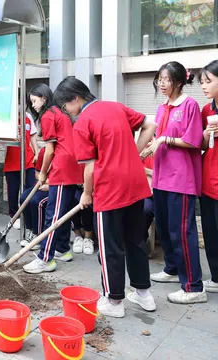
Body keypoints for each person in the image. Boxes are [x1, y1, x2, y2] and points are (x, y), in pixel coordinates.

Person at [54, 76, 157, 318]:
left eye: (66, 106)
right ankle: (144, 295)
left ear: (75, 99)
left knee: (110, 245)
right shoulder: (115, 106)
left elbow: (89, 168)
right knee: (135, 240)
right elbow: (150, 125)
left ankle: (114, 301)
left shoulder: (82, 123)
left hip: (110, 190)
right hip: (135, 183)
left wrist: (86, 195)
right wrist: (135, 153)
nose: (67, 112)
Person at [144, 61, 206, 304]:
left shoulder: (189, 105)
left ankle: (193, 286)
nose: (161, 83)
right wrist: (149, 147)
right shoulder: (162, 108)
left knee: (182, 231)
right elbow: (159, 138)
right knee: (166, 227)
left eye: (166, 79)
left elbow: (193, 141)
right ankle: (171, 269)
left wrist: (165, 140)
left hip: (181, 179)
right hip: (161, 177)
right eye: (159, 78)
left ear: (179, 81)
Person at [23, 83, 83, 275]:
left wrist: (42, 172)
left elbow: (49, 151)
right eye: (31, 102)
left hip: (63, 167)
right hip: (73, 166)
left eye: (35, 101)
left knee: (53, 214)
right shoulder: (60, 112)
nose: (33, 106)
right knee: (62, 210)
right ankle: (63, 249)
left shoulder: (49, 115)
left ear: (44, 98)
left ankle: (45, 258)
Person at [198, 60, 218, 294]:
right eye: (202, 82)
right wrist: (205, 134)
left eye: (208, 81)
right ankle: (215, 277)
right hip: (208, 182)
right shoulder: (206, 110)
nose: (204, 86)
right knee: (211, 233)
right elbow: (203, 145)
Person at [4, 111, 39, 230]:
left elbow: (33, 135)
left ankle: (29, 216)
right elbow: (0, 135)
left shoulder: (28, 116)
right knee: (13, 190)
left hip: (28, 157)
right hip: (12, 158)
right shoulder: (8, 114)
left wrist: (37, 152)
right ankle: (14, 216)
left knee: (31, 187)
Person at [19, 147, 47, 250]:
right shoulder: (44, 151)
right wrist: (42, 180)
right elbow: (37, 173)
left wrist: (48, 183)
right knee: (23, 198)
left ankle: (38, 235)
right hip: (40, 184)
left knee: (36, 202)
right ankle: (30, 230)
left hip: (53, 186)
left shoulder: (60, 152)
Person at [71, 185, 94, 255]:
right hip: (75, 184)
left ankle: (88, 237)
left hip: (93, 185)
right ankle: (78, 236)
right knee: (73, 199)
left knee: (87, 203)